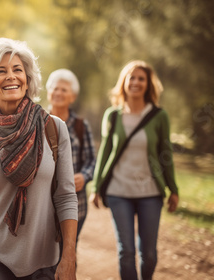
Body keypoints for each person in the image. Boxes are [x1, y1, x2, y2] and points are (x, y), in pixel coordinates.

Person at [0, 38, 78, 280]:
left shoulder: (54, 129)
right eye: (1, 71)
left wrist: (69, 256)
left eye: (17, 70)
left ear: (27, 79)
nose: (11, 76)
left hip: (43, 256)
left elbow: (66, 196)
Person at [89, 60, 180, 280]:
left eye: (141, 78)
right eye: (132, 77)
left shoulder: (159, 116)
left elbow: (165, 154)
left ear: (148, 84)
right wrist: (97, 187)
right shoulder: (112, 115)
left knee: (148, 254)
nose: (136, 82)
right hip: (119, 192)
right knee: (126, 251)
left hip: (150, 193)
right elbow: (106, 153)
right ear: (124, 82)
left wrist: (173, 189)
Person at [46, 69, 96, 242]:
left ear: (72, 97)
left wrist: (84, 176)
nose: (58, 93)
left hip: (75, 207)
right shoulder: (36, 122)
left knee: (68, 254)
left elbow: (92, 161)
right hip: (42, 206)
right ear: (48, 92)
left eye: (64, 90)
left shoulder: (81, 126)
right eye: (55, 88)